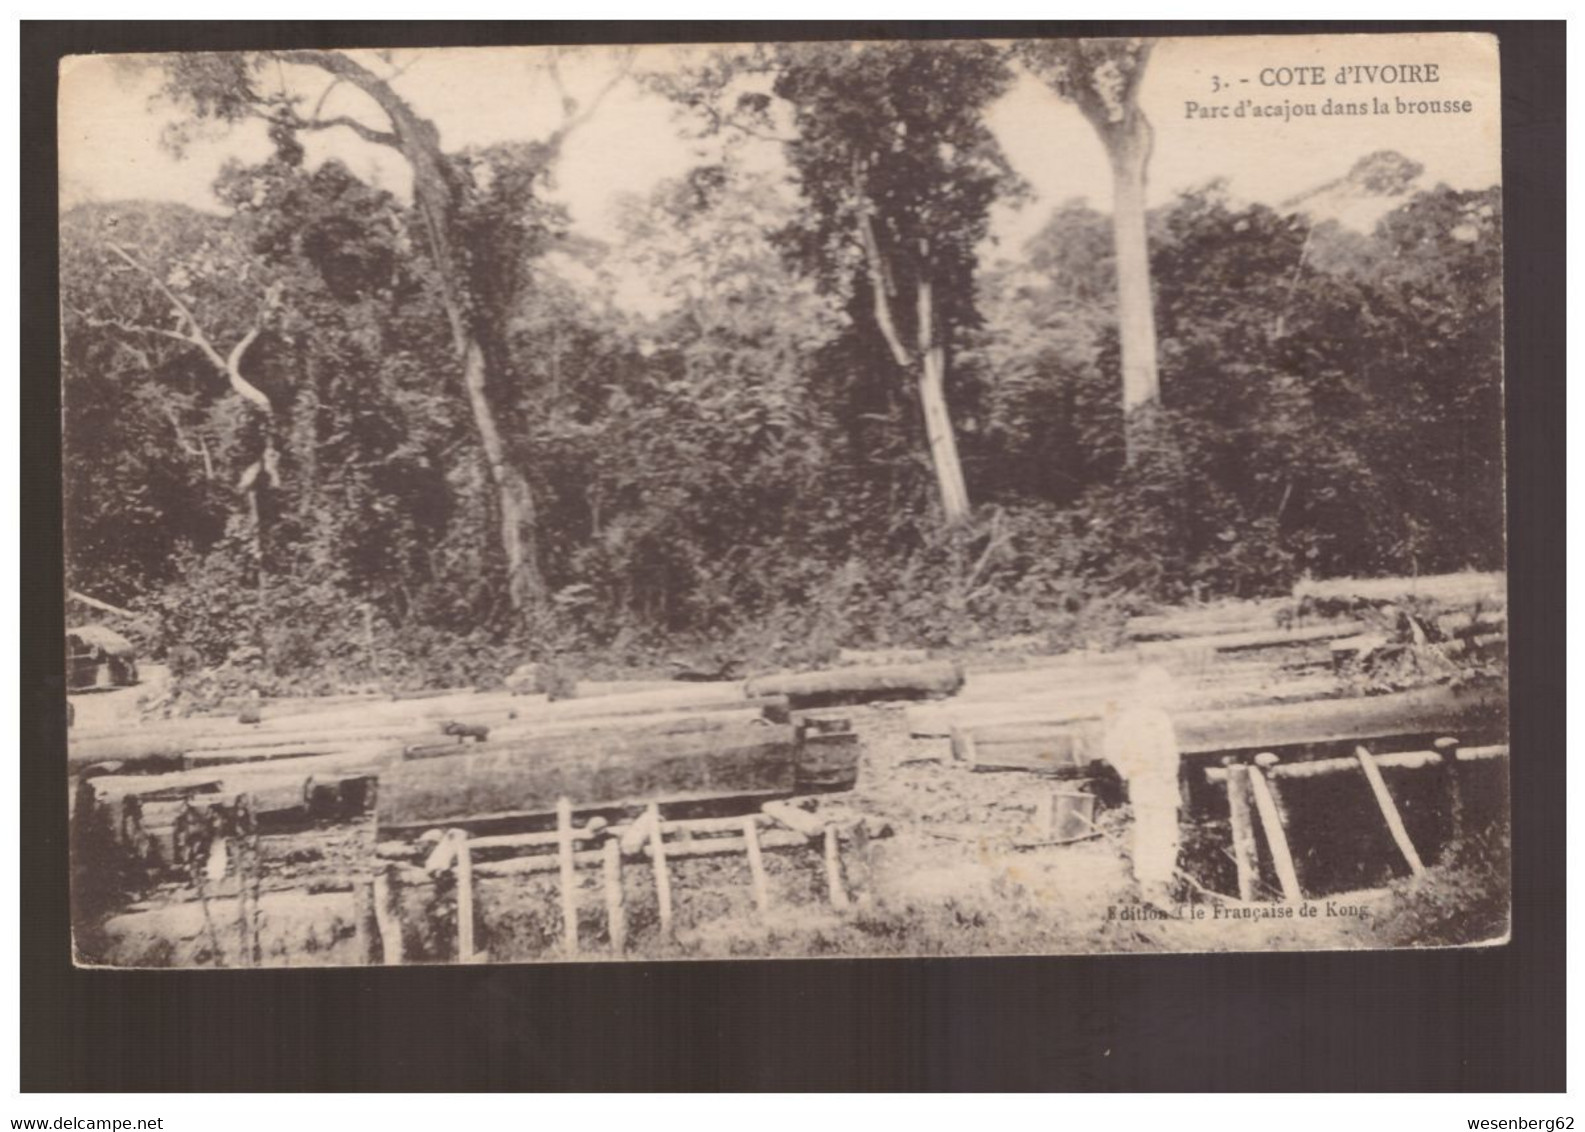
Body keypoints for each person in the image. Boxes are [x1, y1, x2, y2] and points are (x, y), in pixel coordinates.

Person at [1100, 665, 1184, 901]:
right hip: (1149, 784)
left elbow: (1169, 755)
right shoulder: (1135, 717)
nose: (1166, 695)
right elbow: (1112, 746)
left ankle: (1154, 890)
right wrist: (1128, 770)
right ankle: (1154, 891)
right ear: (1148, 691)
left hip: (1162, 786)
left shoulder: (1159, 717)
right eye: (1161, 690)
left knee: (1160, 835)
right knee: (1158, 835)